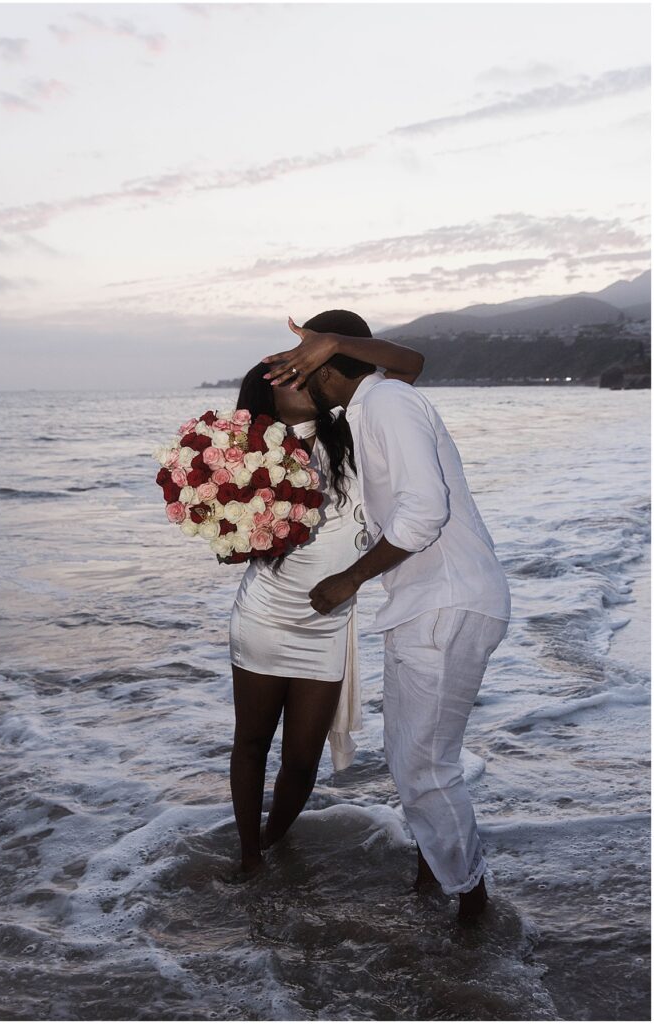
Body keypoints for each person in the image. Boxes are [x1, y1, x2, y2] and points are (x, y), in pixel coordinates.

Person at [263, 311, 511, 918]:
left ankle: (471, 906)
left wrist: (350, 579)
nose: (298, 375)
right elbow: (412, 363)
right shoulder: (377, 402)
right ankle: (438, 880)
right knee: (414, 760)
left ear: (325, 365)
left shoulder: (387, 404)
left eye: (305, 365)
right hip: (432, 602)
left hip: (442, 603)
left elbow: (424, 512)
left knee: (423, 768)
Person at [229, 315, 424, 875]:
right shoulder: (243, 454)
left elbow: (409, 365)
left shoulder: (358, 429)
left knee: (301, 761)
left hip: (328, 620)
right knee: (252, 742)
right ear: (265, 389)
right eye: (289, 373)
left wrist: (335, 343)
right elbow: (231, 534)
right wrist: (231, 535)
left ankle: (271, 838)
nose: (302, 376)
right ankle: (248, 857)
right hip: (265, 614)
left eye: (306, 367)